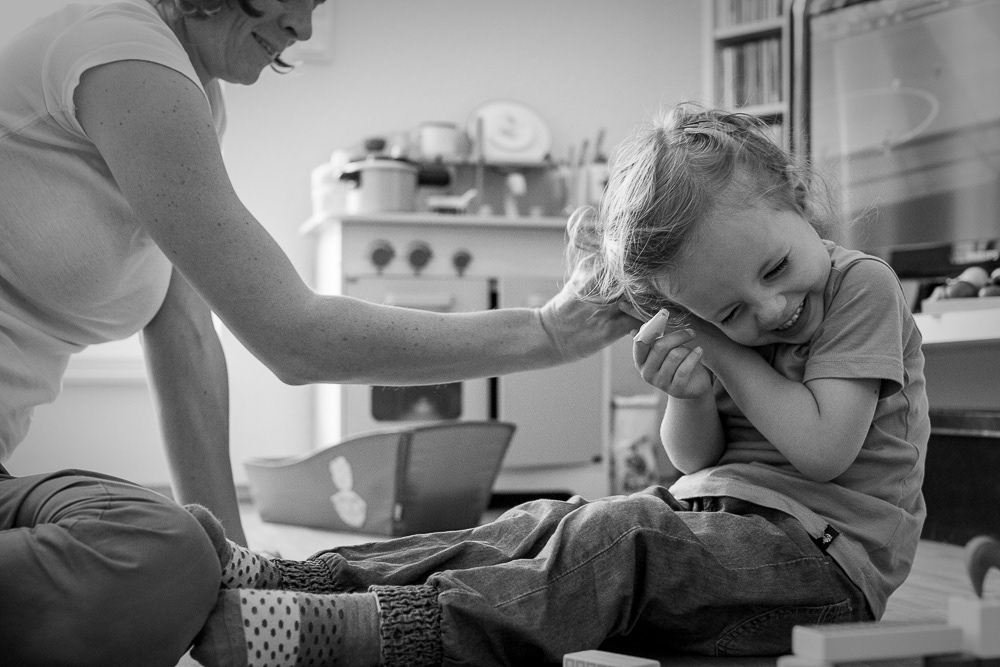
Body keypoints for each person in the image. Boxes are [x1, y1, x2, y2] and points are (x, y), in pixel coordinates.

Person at [182, 102, 930, 667]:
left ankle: (381, 633)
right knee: (542, 521)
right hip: (723, 530)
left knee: (622, 535)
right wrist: (690, 393)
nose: (768, 310)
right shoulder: (722, 321)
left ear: (797, 200)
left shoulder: (859, 285)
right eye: (729, 308)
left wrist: (715, 337)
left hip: (825, 571)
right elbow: (692, 464)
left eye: (773, 270)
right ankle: (309, 581)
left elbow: (823, 448)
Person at [0, 0, 634, 664]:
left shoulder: (190, 92)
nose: (303, 28)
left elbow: (184, 337)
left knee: (174, 548)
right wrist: (545, 332)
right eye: (293, 1)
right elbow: (294, 337)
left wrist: (234, 568)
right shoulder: (125, 57)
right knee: (161, 557)